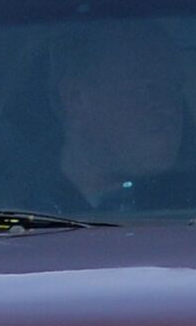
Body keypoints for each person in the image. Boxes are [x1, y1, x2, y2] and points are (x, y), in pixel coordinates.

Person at [49, 19, 188, 209]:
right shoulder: (14, 205)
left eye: (175, 88)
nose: (170, 108)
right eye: (146, 89)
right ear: (76, 97)